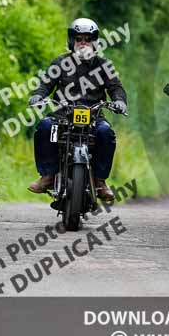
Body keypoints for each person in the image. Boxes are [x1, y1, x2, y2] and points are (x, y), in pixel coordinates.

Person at [26, 18, 128, 202]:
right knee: (45, 127)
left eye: (87, 39)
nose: (83, 43)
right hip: (62, 116)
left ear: (95, 41)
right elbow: (45, 84)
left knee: (106, 133)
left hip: (94, 116)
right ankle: (48, 176)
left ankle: (99, 181)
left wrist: (119, 101)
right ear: (71, 41)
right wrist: (38, 95)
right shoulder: (59, 63)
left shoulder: (105, 66)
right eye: (78, 38)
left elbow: (116, 88)